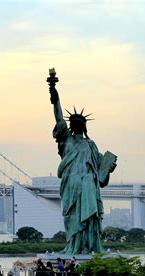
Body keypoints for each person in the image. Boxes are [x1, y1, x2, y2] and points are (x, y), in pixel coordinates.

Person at [49, 74, 117, 255]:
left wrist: (108, 168)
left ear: (84, 126)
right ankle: (74, 244)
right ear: (70, 125)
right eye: (74, 122)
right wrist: (55, 94)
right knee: (72, 216)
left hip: (88, 184)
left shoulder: (91, 145)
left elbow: (102, 177)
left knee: (90, 217)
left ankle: (89, 245)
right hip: (71, 184)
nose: (76, 124)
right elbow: (58, 116)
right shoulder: (66, 140)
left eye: (80, 122)